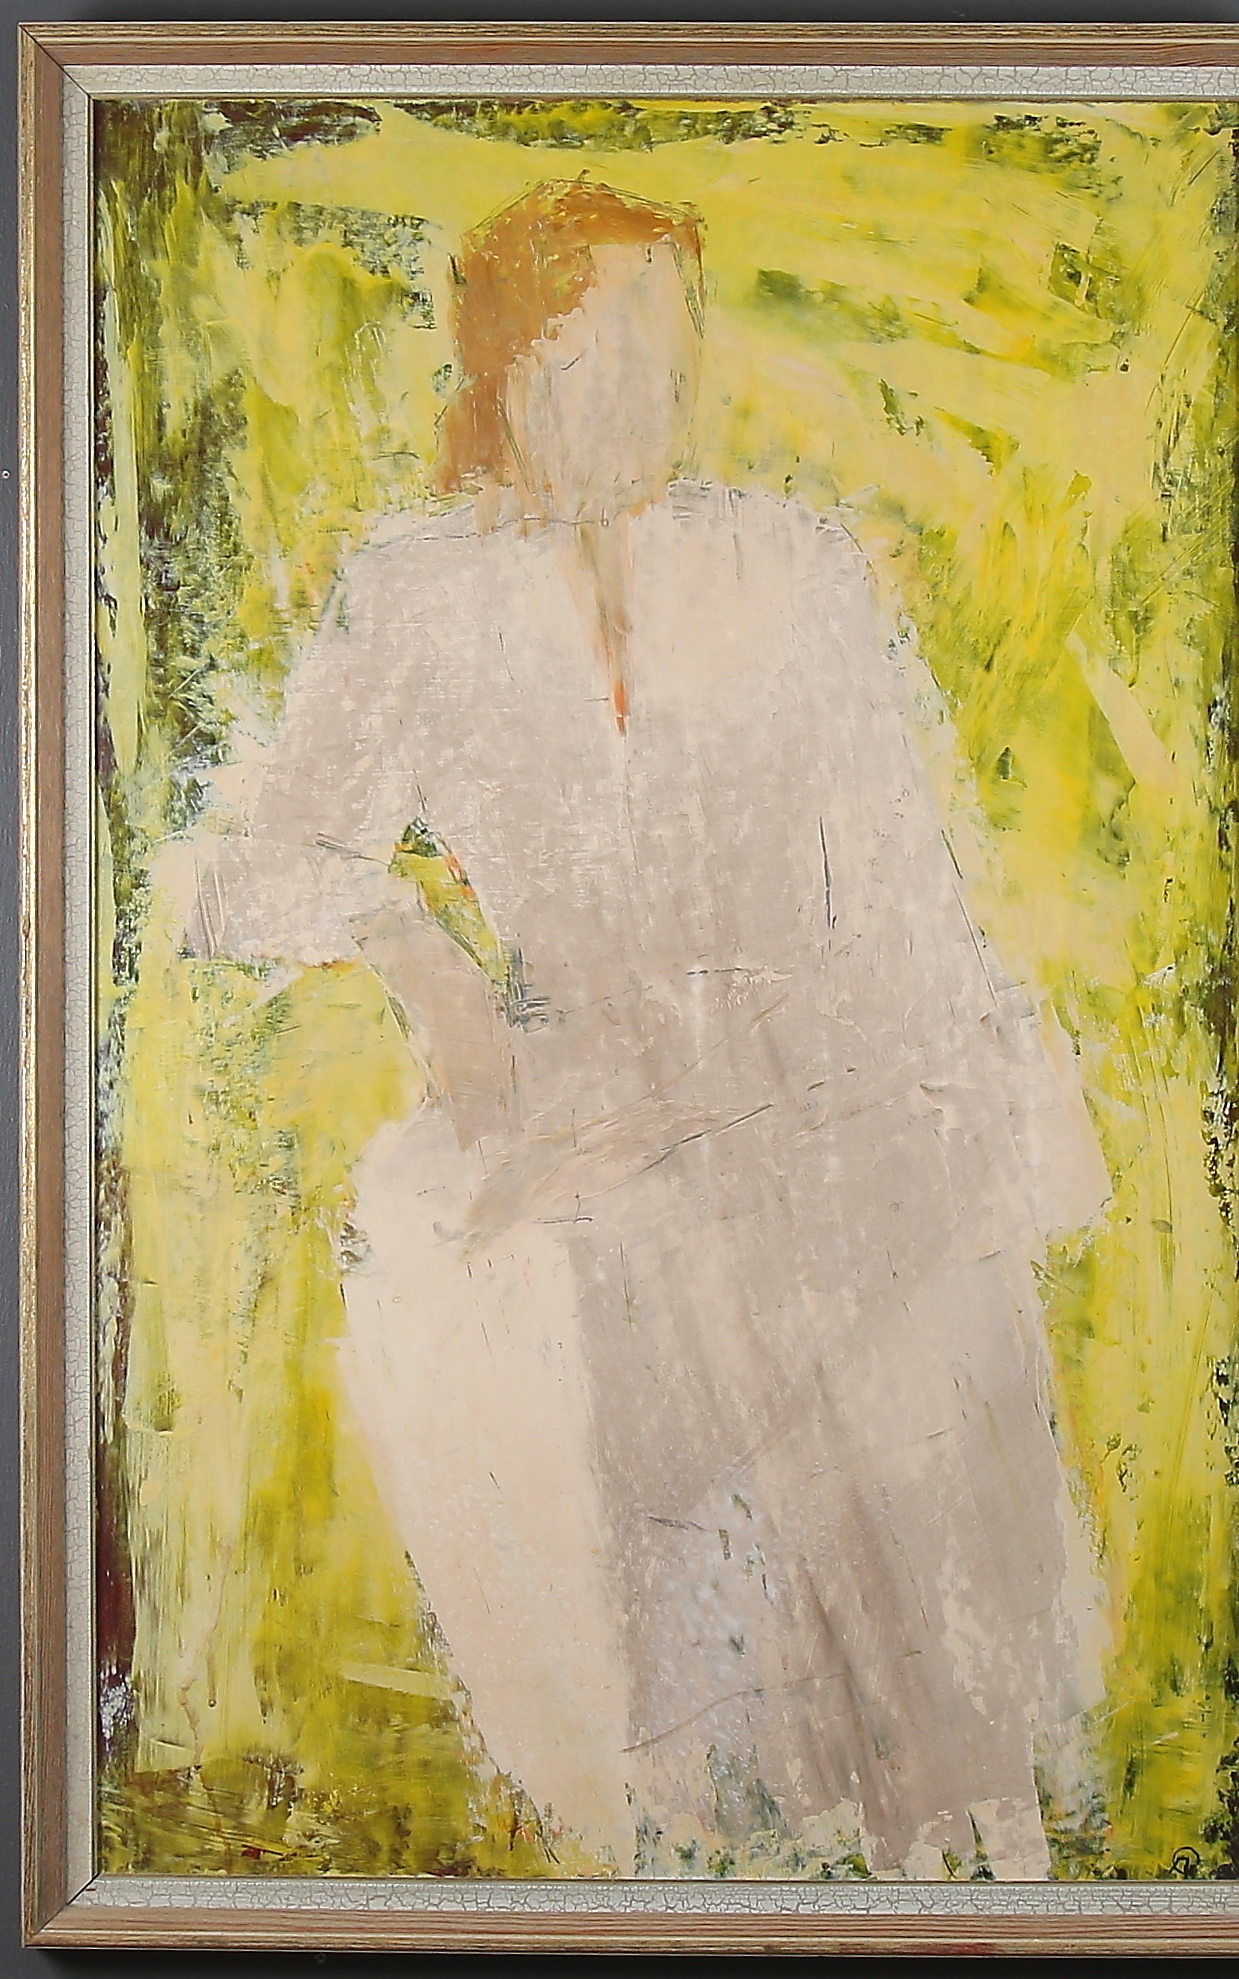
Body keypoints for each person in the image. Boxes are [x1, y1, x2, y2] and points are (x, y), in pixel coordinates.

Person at [192, 179, 1110, 1878]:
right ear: (505, 365)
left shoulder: (789, 562)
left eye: (663, 351)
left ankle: (964, 1839)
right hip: (594, 1088)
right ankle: (732, 1847)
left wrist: (934, 1090)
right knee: (628, 1262)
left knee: (860, 1272)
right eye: (592, 350)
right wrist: (412, 946)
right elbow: (238, 872)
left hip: (830, 1062)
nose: (638, 391)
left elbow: (902, 878)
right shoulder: (419, 598)